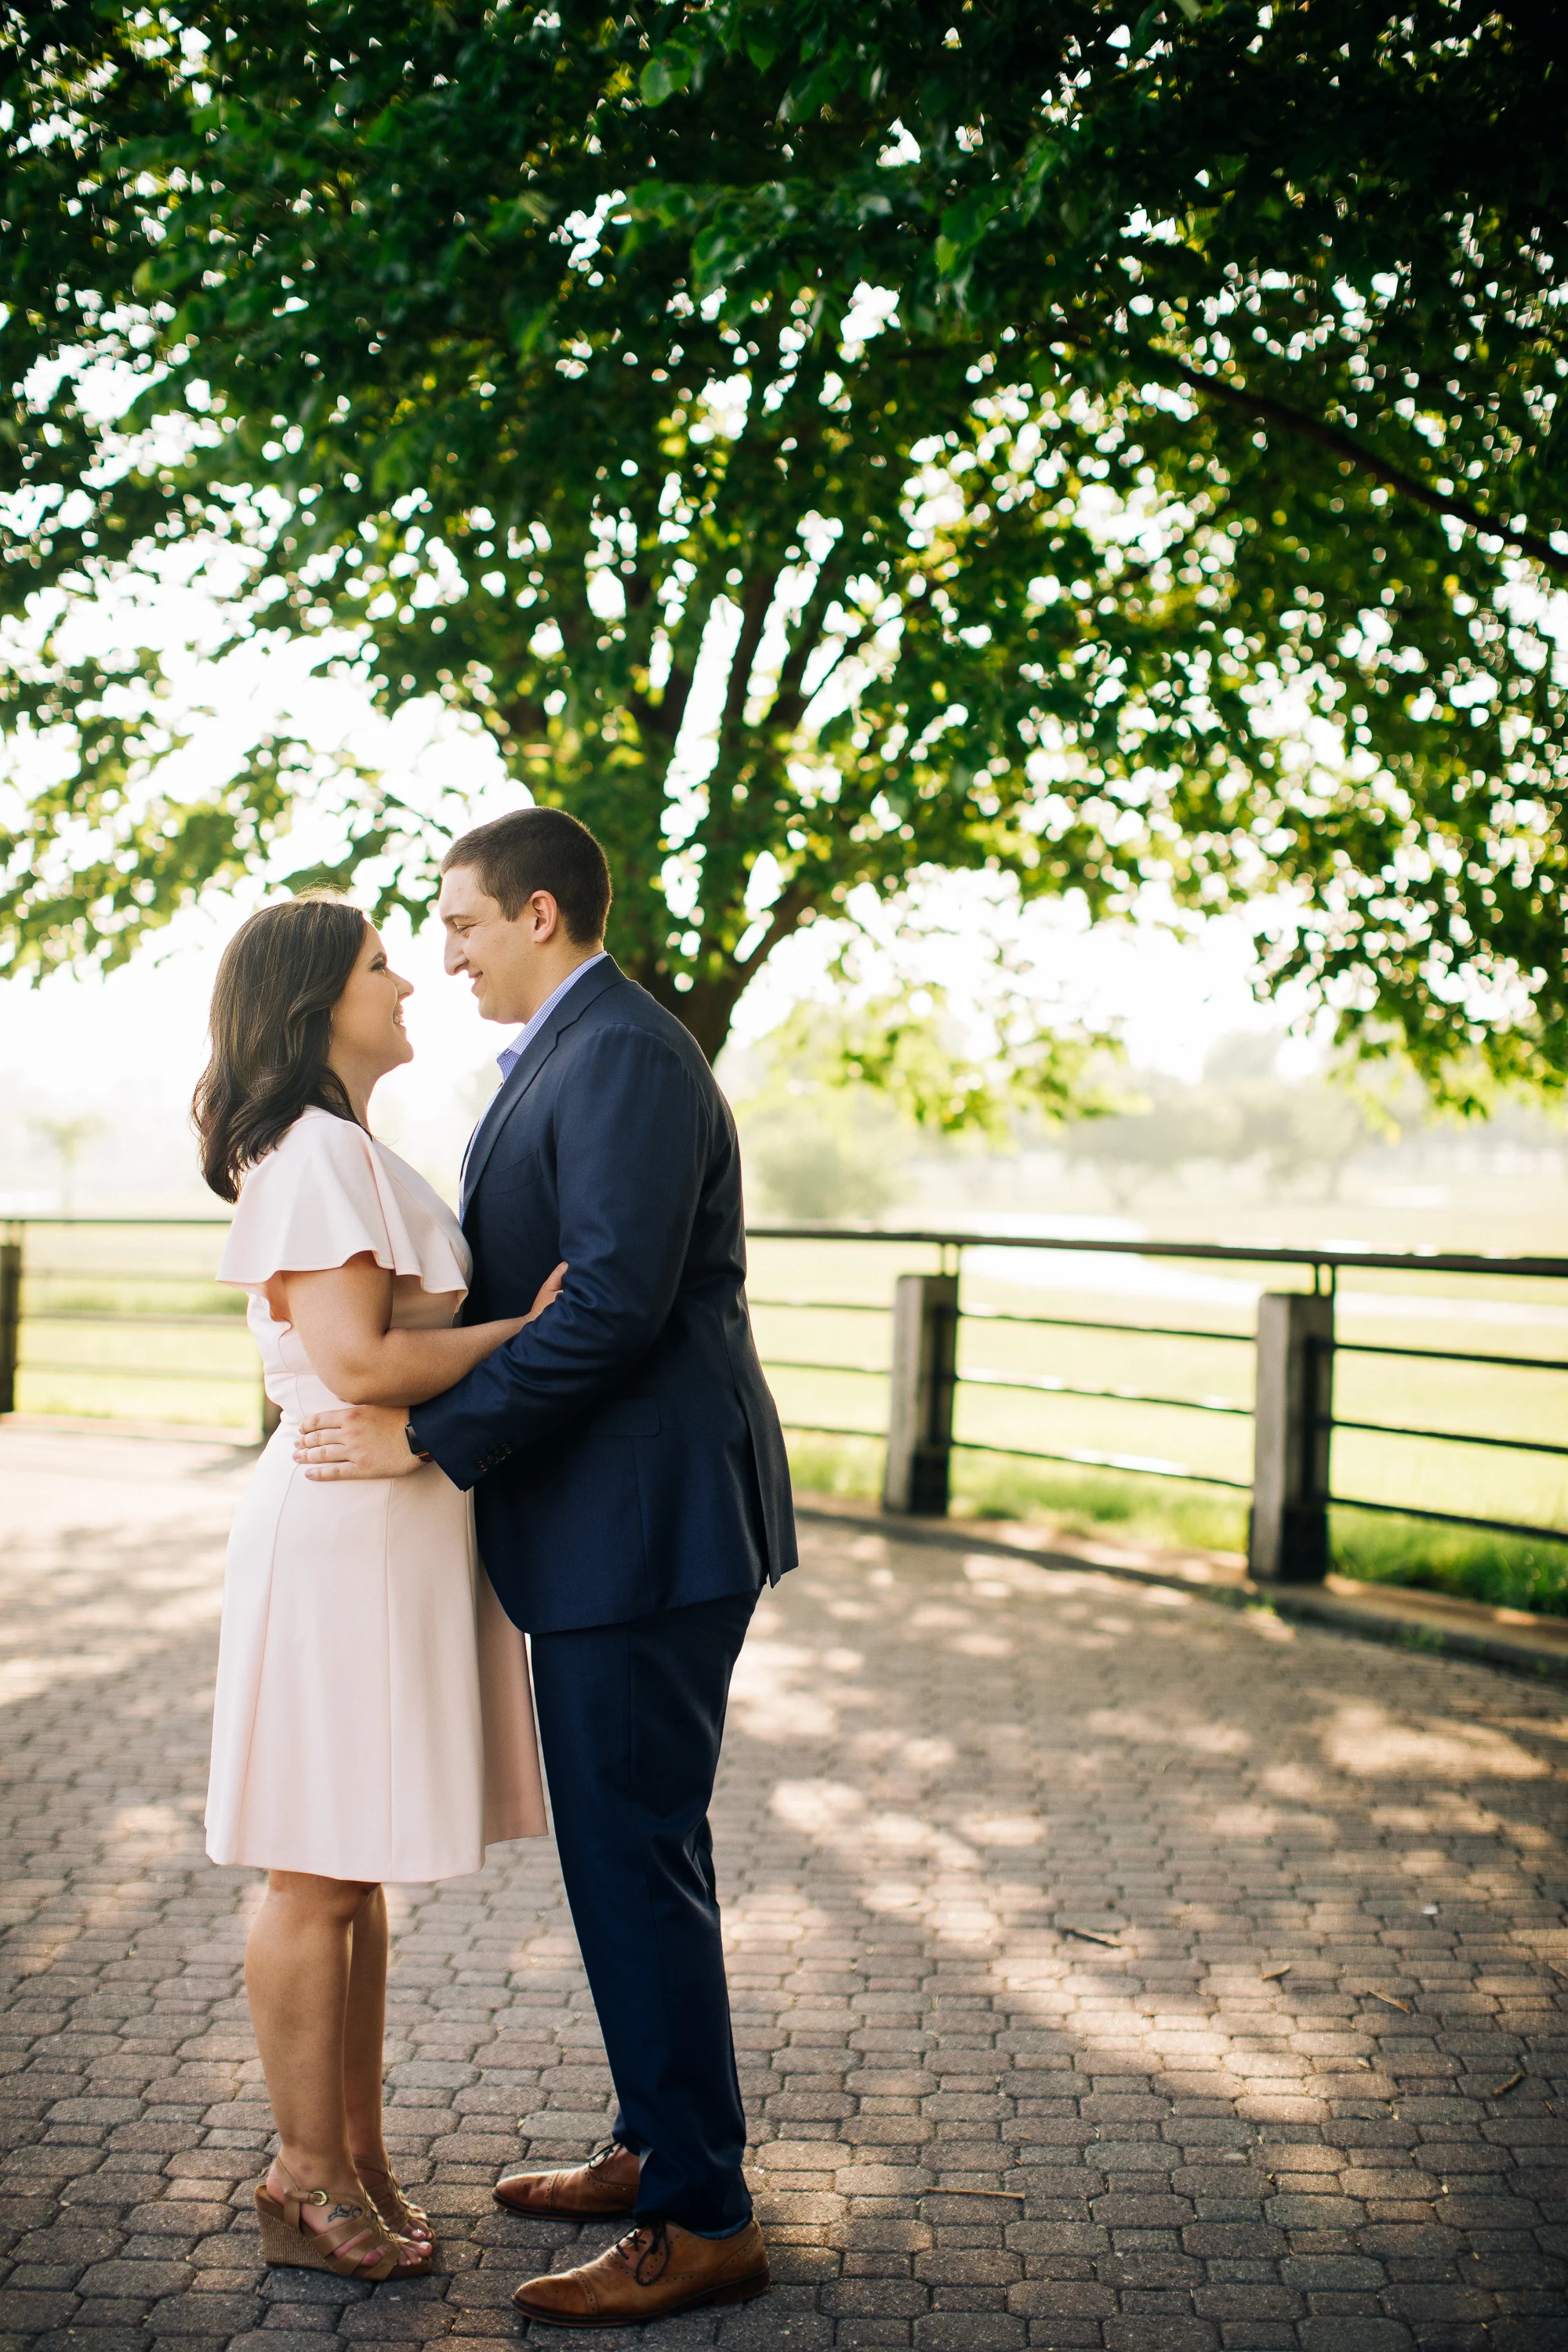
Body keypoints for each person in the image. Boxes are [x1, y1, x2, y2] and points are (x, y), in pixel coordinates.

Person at [295, 807, 797, 2328]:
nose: (441, 958)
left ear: (537, 913)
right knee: (634, 1863)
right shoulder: (575, 1056)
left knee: (636, 1869)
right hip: (610, 1532)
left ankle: (701, 2216)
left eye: (455, 925)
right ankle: (660, 2148)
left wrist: (431, 1442)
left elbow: (612, 1312)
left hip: (643, 1536)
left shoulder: (628, 1058)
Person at [194, 895, 557, 2285]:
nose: (409, 982)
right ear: (311, 1003)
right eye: (378, 966)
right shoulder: (315, 1159)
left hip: (388, 1523)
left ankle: (354, 2155)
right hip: (343, 1523)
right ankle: (302, 2174)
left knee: (349, 1867)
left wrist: (476, 1334)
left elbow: (395, 1331)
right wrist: (529, 1330)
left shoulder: (343, 1148)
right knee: (316, 1868)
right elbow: (353, 1366)